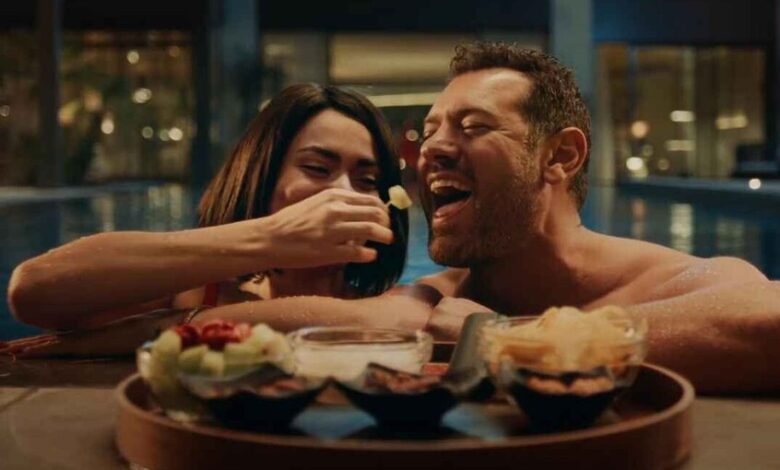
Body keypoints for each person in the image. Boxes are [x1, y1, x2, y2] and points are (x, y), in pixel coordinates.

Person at [411, 42, 780, 393]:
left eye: (474, 126)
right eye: (429, 133)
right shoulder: (436, 300)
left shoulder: (675, 284)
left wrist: (506, 339)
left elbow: (767, 320)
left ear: (561, 156)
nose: (431, 148)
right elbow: (376, 323)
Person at [5, 83, 434, 346]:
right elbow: (34, 293)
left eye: (366, 180)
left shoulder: (385, 305)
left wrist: (180, 327)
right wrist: (273, 238)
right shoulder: (195, 293)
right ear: (261, 177)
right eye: (317, 169)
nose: (342, 193)